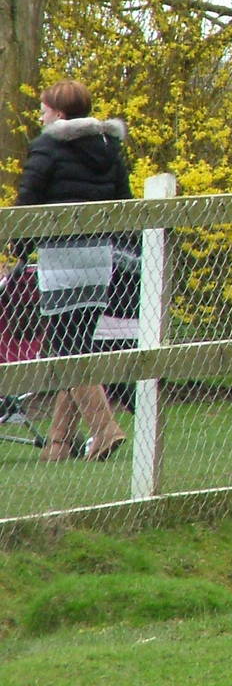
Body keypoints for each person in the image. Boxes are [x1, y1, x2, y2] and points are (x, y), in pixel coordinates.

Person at [13, 80, 133, 462]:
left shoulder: (48, 146)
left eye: (45, 108)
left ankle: (105, 428)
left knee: (67, 350)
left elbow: (29, 199)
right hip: (99, 258)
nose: (41, 114)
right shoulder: (108, 147)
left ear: (59, 114)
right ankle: (59, 445)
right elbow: (124, 201)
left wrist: (18, 245)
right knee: (79, 345)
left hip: (62, 261)